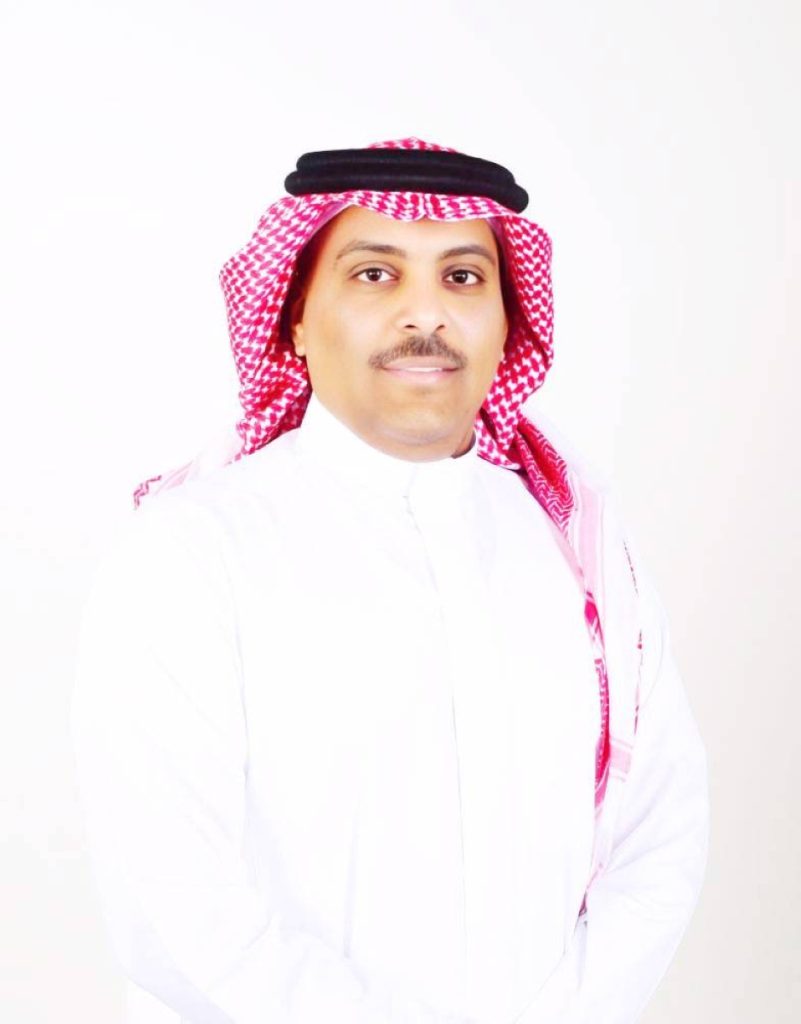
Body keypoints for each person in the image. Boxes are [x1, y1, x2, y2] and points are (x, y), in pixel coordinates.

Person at [70, 137, 709, 1024]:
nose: (425, 314)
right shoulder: (192, 550)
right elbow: (172, 904)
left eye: (462, 278)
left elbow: (660, 833)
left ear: (507, 322)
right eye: (374, 275)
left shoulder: (580, 551)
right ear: (295, 318)